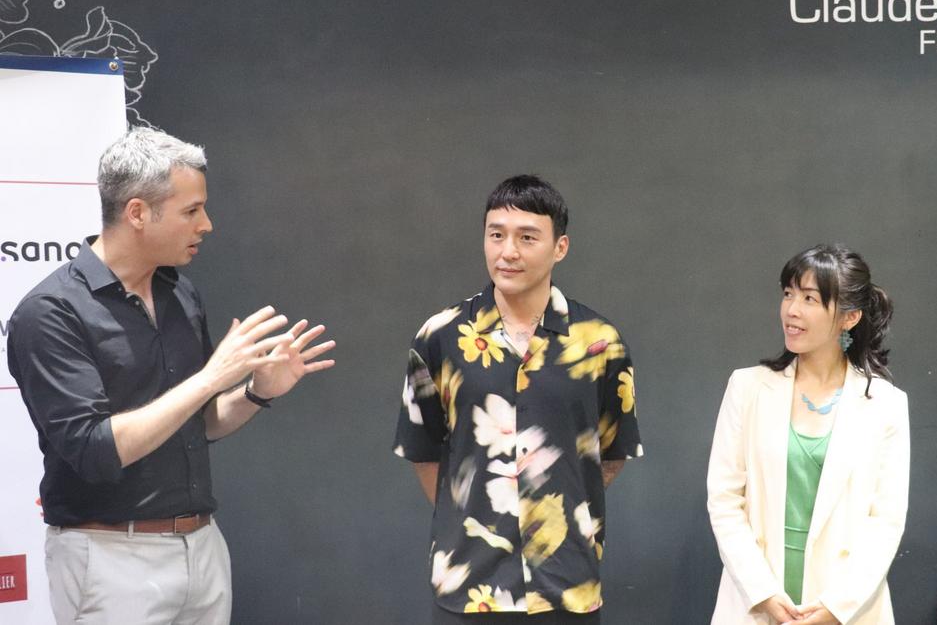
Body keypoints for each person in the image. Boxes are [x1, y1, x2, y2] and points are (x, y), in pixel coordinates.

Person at [6, 127, 336, 625]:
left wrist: (255, 392)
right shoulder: (51, 313)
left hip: (201, 546)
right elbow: (95, 450)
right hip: (111, 558)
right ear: (138, 213)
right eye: (191, 211)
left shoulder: (180, 294)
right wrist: (212, 376)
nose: (207, 224)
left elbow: (198, 423)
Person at [394, 175, 642, 624]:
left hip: (567, 586)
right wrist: (477, 511)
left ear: (560, 247)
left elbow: (611, 451)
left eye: (527, 238)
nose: (508, 251)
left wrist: (546, 499)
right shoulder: (439, 337)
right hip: (468, 586)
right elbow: (423, 450)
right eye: (496, 235)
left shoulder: (600, 343)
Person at [707, 244, 910, 625]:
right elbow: (724, 500)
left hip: (846, 609)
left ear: (849, 317)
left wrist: (836, 607)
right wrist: (763, 592)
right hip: (756, 603)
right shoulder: (747, 388)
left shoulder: (885, 404)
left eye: (810, 299)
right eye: (788, 294)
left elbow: (886, 521)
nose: (792, 310)